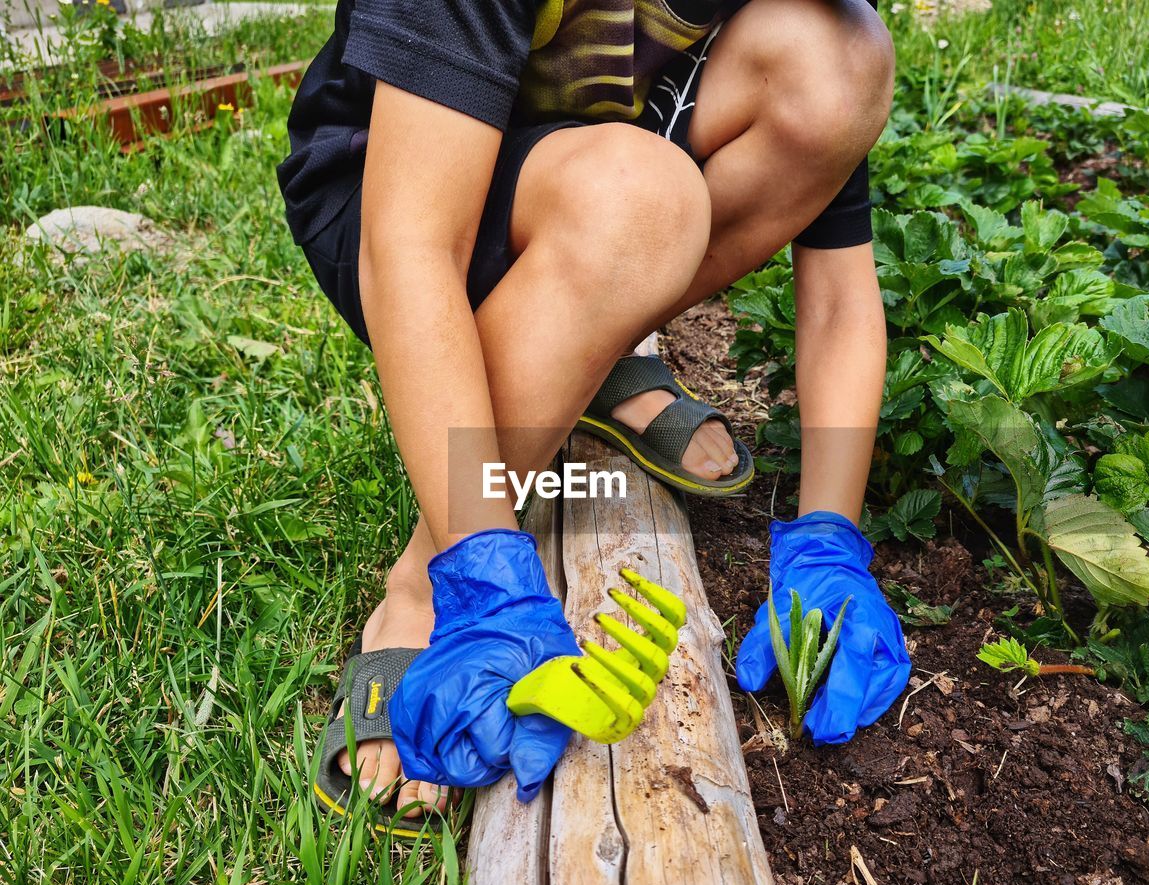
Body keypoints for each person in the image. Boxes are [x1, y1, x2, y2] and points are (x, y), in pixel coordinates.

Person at [279, 0, 908, 837]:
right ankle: (418, 590)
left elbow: (838, 300)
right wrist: (469, 566)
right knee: (642, 202)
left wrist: (830, 537)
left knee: (840, 65)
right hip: (392, 195)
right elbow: (411, 244)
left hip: (599, 190)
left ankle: (592, 337)